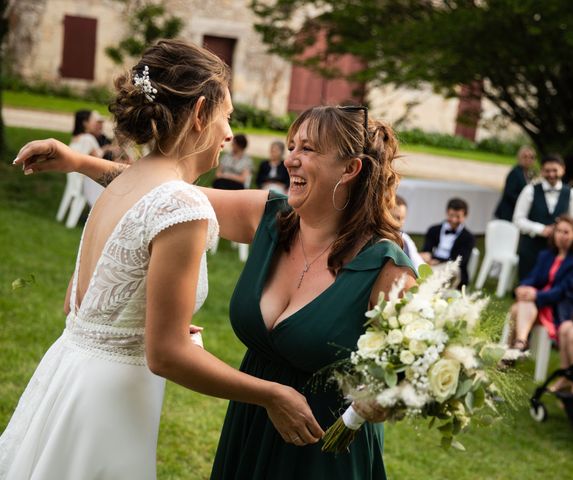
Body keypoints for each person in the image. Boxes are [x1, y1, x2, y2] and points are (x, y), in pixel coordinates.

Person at [13, 104, 416, 478]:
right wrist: (78, 162)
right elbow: (158, 194)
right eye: (291, 145)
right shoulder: (271, 217)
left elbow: (402, 381)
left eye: (307, 149)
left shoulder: (386, 268)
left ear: (350, 169)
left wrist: (383, 400)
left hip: (324, 451)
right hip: (249, 428)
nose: (289, 158)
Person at [3, 39, 323, 479]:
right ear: (199, 114)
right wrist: (272, 394)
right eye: (226, 116)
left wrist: (140, 325)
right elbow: (167, 354)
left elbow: (78, 306)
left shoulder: (126, 183)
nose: (229, 134)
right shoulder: (181, 206)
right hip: (110, 403)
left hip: (68, 375)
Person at [508, 215, 573, 352]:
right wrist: (523, 287)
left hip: (557, 306)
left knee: (517, 309)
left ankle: (511, 351)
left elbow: (562, 291)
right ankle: (519, 344)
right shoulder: (546, 255)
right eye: (558, 231)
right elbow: (533, 277)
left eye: (566, 232)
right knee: (520, 306)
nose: (561, 235)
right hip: (537, 302)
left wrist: (536, 295)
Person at [513, 153, 573, 281]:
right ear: (542, 171)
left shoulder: (572, 193)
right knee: (527, 283)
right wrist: (541, 229)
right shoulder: (530, 190)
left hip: (558, 250)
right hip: (531, 247)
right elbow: (517, 219)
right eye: (547, 171)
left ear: (563, 169)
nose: (551, 174)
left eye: (555, 170)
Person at [419, 197, 475, 287]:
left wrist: (438, 261)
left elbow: (460, 261)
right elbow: (427, 249)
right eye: (451, 215)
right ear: (447, 213)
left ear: (465, 216)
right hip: (432, 263)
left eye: (458, 217)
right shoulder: (433, 230)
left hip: (452, 267)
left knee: (445, 271)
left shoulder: (468, 237)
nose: (454, 220)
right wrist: (427, 255)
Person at [494, 145, 536, 221]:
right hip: (507, 213)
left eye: (531, 157)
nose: (528, 159)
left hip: (516, 213)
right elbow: (509, 193)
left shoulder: (528, 173)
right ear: (519, 158)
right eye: (525, 157)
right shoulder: (515, 173)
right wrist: (525, 202)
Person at [392, 195, 425, 270]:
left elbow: (419, 264)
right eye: (396, 217)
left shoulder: (406, 239)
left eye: (403, 218)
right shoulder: (375, 240)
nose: (400, 223)